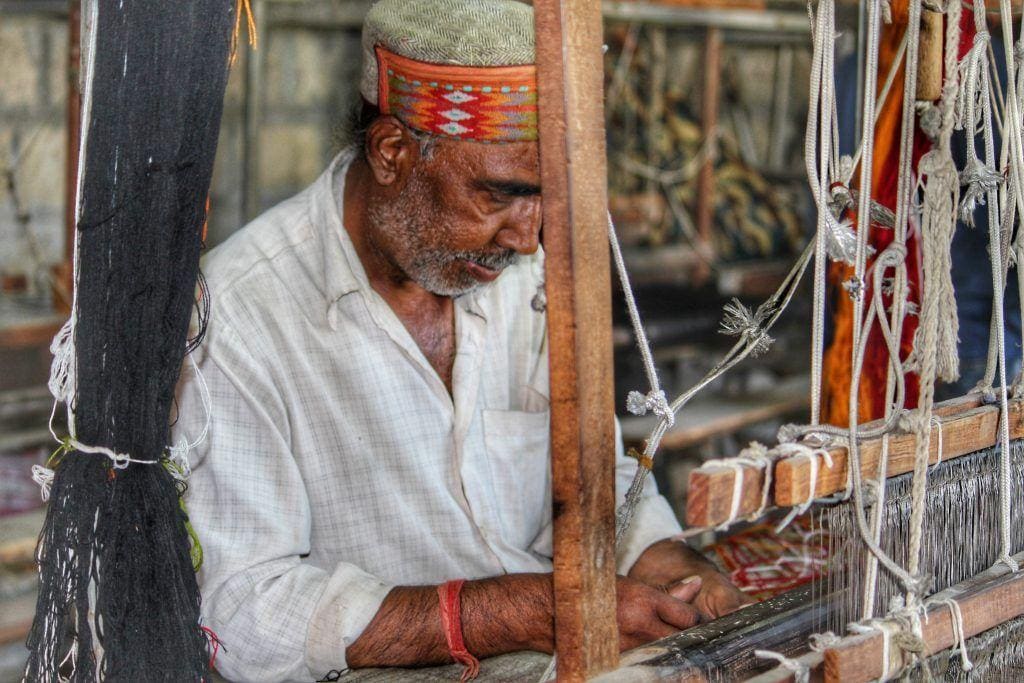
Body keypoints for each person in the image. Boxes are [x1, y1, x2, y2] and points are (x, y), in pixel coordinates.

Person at [174, 1, 751, 680]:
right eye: (499, 194)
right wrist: (511, 611)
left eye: (544, 198)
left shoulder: (530, 278)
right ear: (393, 152)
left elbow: (586, 474)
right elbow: (243, 610)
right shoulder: (242, 311)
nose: (526, 236)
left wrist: (668, 562)